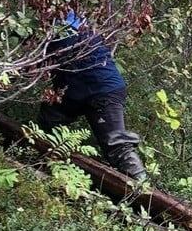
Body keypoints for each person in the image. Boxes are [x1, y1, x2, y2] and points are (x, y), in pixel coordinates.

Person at [38, 11, 147, 181]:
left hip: (102, 90)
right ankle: (53, 167)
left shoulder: (61, 28)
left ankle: (142, 191)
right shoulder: (75, 24)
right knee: (49, 119)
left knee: (117, 145)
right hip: (73, 91)